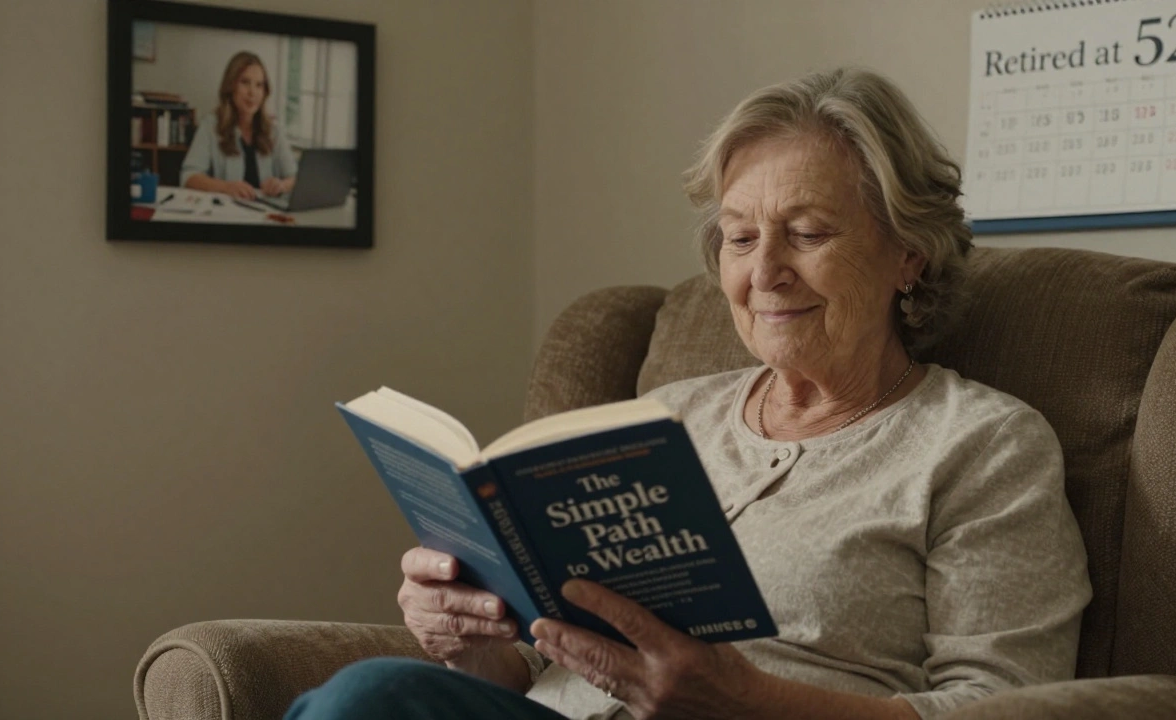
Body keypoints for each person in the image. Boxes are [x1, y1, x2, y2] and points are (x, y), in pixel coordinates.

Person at [285, 68, 1093, 720]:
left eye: (808, 233)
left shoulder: (982, 445)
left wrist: (753, 706)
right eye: (740, 237)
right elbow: (532, 667)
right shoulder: (668, 417)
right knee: (375, 696)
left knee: (364, 699)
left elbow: (1009, 705)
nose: (764, 272)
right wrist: (470, 639)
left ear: (908, 254)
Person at [180, 51, 297, 200]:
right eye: (245, 82)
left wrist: (281, 185)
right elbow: (189, 177)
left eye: (259, 85)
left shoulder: (274, 130)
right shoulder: (210, 126)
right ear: (230, 86)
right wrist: (226, 187)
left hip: (266, 211)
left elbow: (295, 177)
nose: (252, 92)